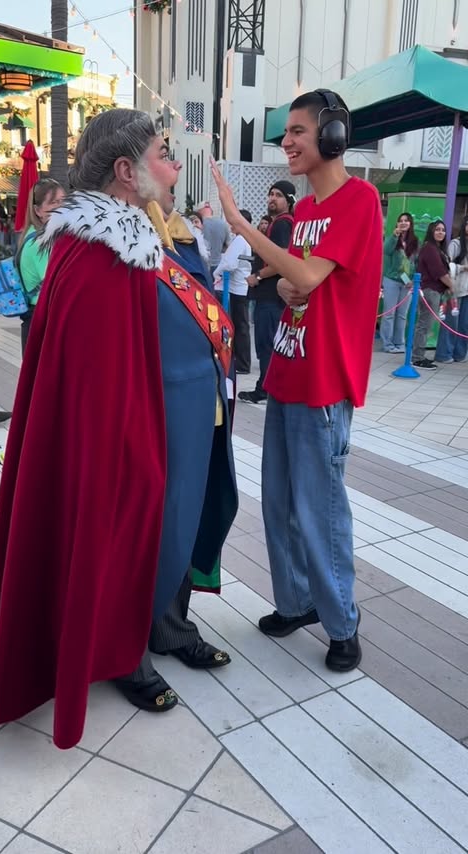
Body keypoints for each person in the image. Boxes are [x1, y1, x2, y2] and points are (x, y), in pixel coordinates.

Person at [0, 109, 237, 749]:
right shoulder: (101, 253)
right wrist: (131, 457)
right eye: (162, 152)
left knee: (176, 520)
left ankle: (155, 631)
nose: (174, 164)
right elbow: (97, 392)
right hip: (116, 446)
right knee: (127, 525)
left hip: (161, 418)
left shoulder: (123, 241)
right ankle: (121, 652)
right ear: (126, 172)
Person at [212, 88, 383, 672]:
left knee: (321, 509)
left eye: (299, 132)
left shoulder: (359, 200)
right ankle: (296, 602)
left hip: (326, 384)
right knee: (280, 503)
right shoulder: (306, 211)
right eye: (285, 132)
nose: (286, 141)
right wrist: (288, 285)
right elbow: (299, 283)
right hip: (287, 370)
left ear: (333, 136)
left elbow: (309, 271)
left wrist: (238, 223)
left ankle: (342, 625)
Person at [239, 182, 295, 404]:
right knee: (270, 344)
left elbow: (281, 258)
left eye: (278, 195)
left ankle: (265, 388)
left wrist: (259, 276)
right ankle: (270, 387)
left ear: (288, 200)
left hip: (271, 296)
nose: (272, 198)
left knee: (267, 345)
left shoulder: (282, 224)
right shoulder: (280, 223)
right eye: (270, 193)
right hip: (273, 296)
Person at [17, 178, 66, 354]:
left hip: (39, 320)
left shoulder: (35, 234)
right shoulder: (40, 242)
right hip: (41, 323)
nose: (62, 207)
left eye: (63, 201)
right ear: (38, 210)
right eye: (54, 203)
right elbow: (58, 285)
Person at [213, 209, 253, 374]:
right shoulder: (245, 239)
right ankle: (241, 361)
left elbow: (230, 263)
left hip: (236, 288)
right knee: (240, 325)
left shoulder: (240, 240)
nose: (230, 224)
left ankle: (242, 363)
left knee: (239, 326)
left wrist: (217, 273)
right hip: (239, 287)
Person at [412, 220, 453, 370]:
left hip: (434, 290)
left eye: (443, 230)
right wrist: (451, 285)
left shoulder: (437, 248)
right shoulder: (430, 249)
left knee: (426, 324)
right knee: (424, 324)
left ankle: (419, 355)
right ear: (431, 231)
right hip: (430, 291)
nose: (441, 232)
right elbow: (439, 272)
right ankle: (417, 358)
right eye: (437, 230)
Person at [380, 212, 419, 353]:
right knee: (389, 313)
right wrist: (395, 236)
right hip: (392, 279)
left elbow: (416, 262)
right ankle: (388, 344)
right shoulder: (392, 239)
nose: (403, 223)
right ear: (397, 224)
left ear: (410, 224)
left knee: (402, 314)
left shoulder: (415, 241)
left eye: (406, 221)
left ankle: (399, 343)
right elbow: (386, 250)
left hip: (408, 283)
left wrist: (412, 280)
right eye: (400, 220)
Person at [435, 215, 468, 364]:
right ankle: (444, 354)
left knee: (464, 325)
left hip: (467, 290)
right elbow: (447, 266)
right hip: (454, 289)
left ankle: (460, 354)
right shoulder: (455, 244)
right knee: (450, 323)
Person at [197, 201, 231, 276]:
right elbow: (228, 246)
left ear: (199, 211)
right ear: (211, 211)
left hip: (202, 265)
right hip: (218, 265)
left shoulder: (197, 225)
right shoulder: (223, 224)